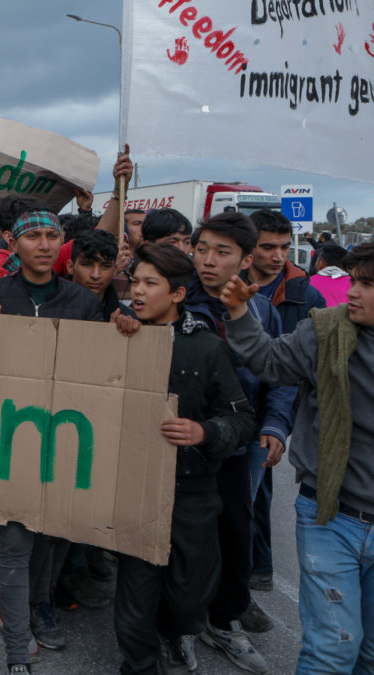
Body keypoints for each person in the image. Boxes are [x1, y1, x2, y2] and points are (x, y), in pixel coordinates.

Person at [219, 242, 374, 674]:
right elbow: (269, 362)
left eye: (367, 284)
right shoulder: (326, 331)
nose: (354, 292)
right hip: (330, 515)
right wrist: (237, 313)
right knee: (332, 650)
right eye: (355, 281)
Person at [0, 209, 98, 674]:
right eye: (33, 236)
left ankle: (40, 603)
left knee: (55, 534)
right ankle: (17, 640)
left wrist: (122, 329)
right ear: (14, 245)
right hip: (11, 438)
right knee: (17, 540)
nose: (42, 244)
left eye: (51, 236)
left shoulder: (82, 301)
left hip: (62, 439)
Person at [111, 243, 255, 674]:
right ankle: (140, 663)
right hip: (134, 486)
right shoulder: (118, 335)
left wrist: (205, 432)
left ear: (176, 294)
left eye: (150, 284)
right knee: (136, 591)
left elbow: (242, 418)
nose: (137, 292)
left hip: (193, 490)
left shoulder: (209, 348)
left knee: (190, 592)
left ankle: (176, 630)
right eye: (134, 282)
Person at [184, 212, 294, 675]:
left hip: (241, 445)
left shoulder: (262, 309)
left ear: (245, 260)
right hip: (182, 444)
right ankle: (180, 627)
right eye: (202, 248)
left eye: (222, 252)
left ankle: (224, 622)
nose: (208, 260)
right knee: (182, 539)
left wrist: (275, 425)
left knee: (235, 532)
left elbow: (280, 375)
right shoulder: (174, 297)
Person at [241, 209, 325, 604]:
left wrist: (278, 423)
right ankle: (244, 578)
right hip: (235, 409)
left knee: (255, 495)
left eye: (284, 247)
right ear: (248, 248)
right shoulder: (227, 286)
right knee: (243, 498)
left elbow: (294, 371)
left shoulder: (306, 296)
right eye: (267, 246)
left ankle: (253, 577)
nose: (278, 256)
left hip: (277, 407)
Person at [69, 229, 136, 321]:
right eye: (87, 264)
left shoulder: (126, 319)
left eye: (105, 266)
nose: (95, 275)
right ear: (70, 267)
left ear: (115, 270)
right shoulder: (47, 308)